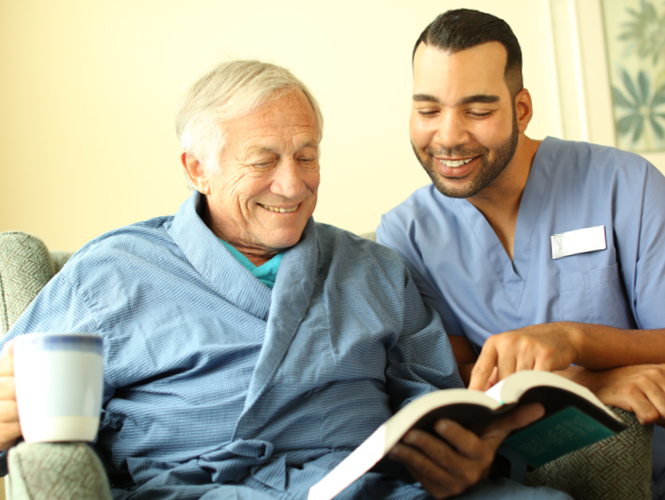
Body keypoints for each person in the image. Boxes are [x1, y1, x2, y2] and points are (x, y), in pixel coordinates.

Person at [0, 60, 570, 499]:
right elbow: (20, 402)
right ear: (197, 168)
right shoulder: (114, 270)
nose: (293, 185)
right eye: (263, 160)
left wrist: (468, 455)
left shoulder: (374, 269)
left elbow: (437, 404)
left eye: (306, 156)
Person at [376, 8, 665, 499]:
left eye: (478, 111)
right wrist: (588, 385)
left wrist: (573, 339)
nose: (447, 136)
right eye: (428, 111)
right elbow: (461, 378)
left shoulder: (626, 185)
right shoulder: (408, 233)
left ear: (522, 109)